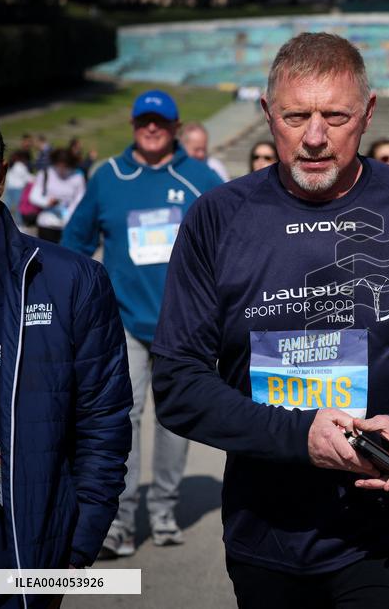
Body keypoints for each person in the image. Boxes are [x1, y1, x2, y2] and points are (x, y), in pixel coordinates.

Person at [149, 32, 389, 609]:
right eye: (295, 116)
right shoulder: (216, 218)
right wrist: (297, 437)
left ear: (368, 114)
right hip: (267, 534)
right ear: (267, 115)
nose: (314, 138)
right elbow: (179, 384)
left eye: (335, 116)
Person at [62, 89, 224, 559]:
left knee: (176, 421)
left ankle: (166, 510)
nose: (151, 128)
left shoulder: (199, 178)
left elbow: (227, 242)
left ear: (175, 127)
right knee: (122, 421)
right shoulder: (108, 176)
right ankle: (119, 521)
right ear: (134, 125)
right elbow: (75, 243)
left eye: (160, 121)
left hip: (184, 326)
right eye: (143, 121)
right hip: (122, 323)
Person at [0, 103, 132, 601]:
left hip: (25, 556)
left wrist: (79, 540)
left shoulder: (72, 282)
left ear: (0, 178)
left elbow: (104, 420)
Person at [27, 147, 86, 243]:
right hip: (47, 224)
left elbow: (80, 199)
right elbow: (33, 196)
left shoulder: (78, 177)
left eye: (65, 166)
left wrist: (69, 214)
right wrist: (47, 202)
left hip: (67, 225)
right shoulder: (45, 174)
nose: (61, 169)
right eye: (59, 165)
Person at [1, 149, 32, 225]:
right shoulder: (20, 165)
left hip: (9, 187)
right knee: (19, 207)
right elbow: (27, 177)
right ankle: (19, 223)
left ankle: (3, 221)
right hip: (18, 189)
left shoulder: (11, 165)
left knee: (7, 206)